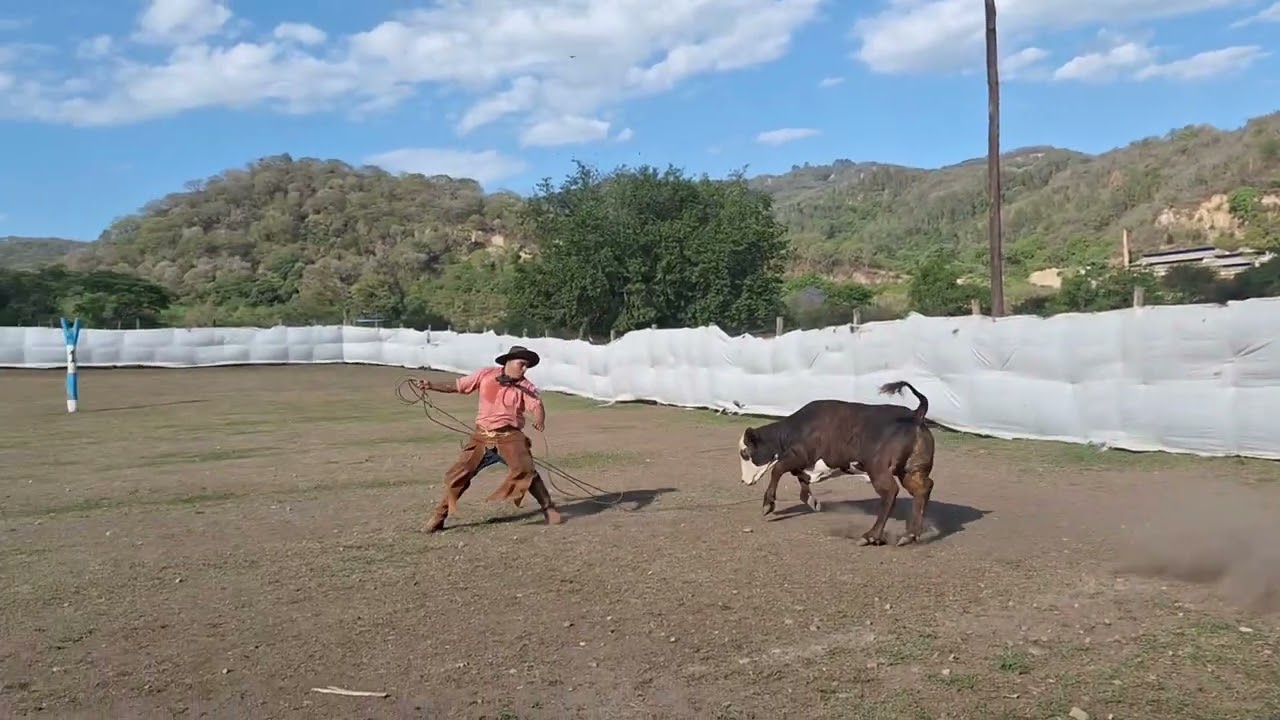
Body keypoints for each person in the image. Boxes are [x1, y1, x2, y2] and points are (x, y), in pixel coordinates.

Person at [416, 345, 562, 533]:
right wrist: (431, 385)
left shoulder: (526, 387)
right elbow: (457, 386)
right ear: (509, 362)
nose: (525, 369)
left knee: (526, 471)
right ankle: (438, 517)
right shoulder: (485, 374)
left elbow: (537, 406)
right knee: (460, 475)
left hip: (510, 437)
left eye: (527, 366)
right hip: (482, 437)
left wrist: (540, 420)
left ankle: (548, 509)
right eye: (522, 364)